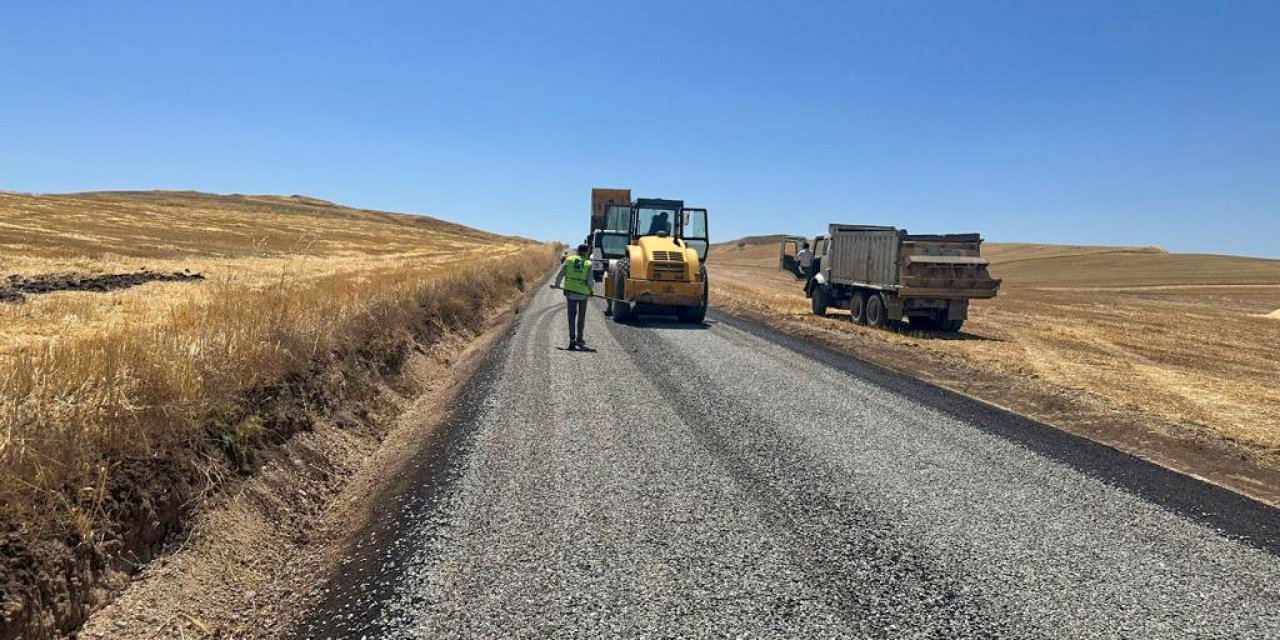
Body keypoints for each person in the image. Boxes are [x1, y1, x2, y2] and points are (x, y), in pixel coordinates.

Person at [552, 243, 592, 350]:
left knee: (571, 316)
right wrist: (590, 290)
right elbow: (589, 280)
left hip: (570, 293)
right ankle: (580, 338)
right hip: (583, 294)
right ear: (586, 251)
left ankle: (572, 339)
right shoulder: (588, 263)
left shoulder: (569, 260)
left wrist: (557, 284)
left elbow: (561, 273)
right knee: (581, 317)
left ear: (578, 251)